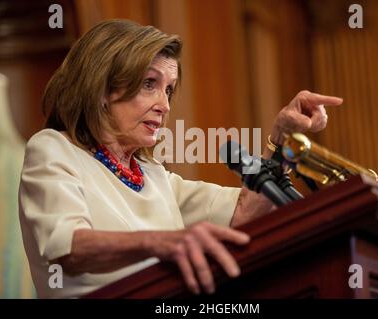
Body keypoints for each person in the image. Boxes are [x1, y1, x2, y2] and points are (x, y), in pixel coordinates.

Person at [18, 19, 343, 298]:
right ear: (101, 90)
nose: (165, 105)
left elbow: (245, 213)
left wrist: (282, 135)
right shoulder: (53, 149)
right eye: (149, 84)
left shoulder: (154, 175)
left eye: (169, 90)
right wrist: (161, 243)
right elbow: (67, 249)